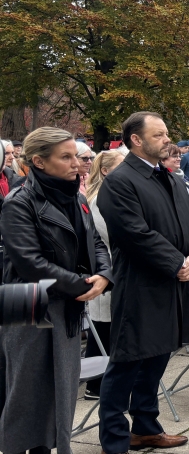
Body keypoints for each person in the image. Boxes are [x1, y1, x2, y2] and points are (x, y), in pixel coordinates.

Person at [97, 111, 189, 453]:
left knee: (159, 356)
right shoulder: (120, 181)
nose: (167, 140)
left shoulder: (171, 178)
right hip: (142, 286)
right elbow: (134, 234)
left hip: (176, 282)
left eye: (167, 134)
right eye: (158, 135)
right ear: (136, 140)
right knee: (128, 361)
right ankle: (114, 437)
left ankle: (146, 426)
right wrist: (177, 263)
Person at [0, 128, 112, 454]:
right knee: (27, 395)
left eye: (76, 155)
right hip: (26, 305)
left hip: (66, 305)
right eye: (66, 157)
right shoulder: (18, 203)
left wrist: (103, 275)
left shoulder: (76, 197)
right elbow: (30, 263)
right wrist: (83, 285)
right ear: (39, 161)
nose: (76, 163)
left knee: (61, 393)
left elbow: (95, 243)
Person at [83, 149, 125, 400]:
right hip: (108, 269)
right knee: (104, 327)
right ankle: (96, 385)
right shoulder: (99, 198)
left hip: (116, 268)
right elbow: (110, 236)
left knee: (110, 327)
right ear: (106, 171)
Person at [161, 144, 189, 217]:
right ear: (162, 160)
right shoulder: (162, 179)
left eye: (179, 156)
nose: (179, 159)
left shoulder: (183, 177)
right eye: (174, 156)